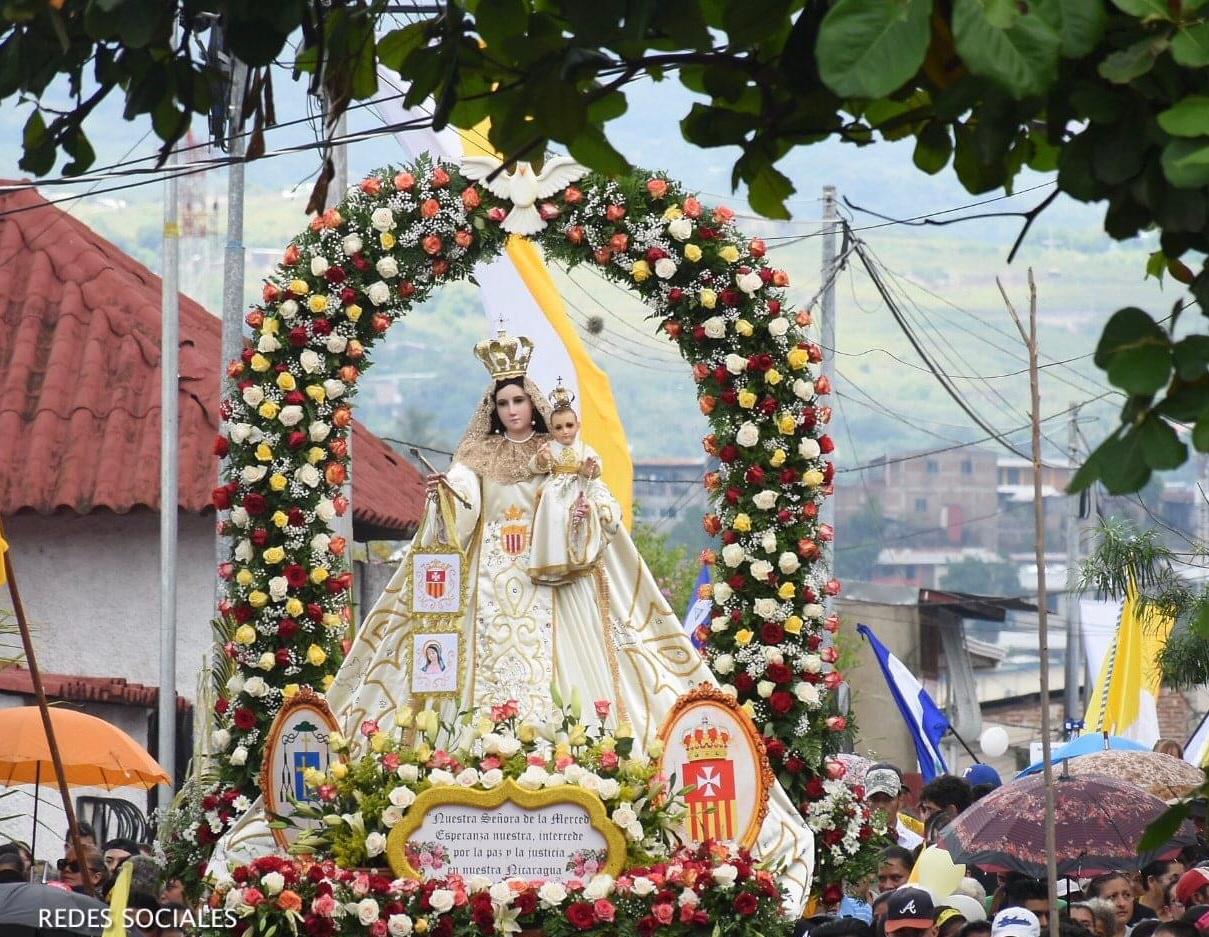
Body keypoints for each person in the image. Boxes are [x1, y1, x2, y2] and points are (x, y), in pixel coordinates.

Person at [210, 331, 815, 905]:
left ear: (533, 401)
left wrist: (581, 496)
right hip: (494, 585)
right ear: (493, 406)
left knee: (579, 675)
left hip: (554, 585)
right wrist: (449, 494)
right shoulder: (478, 453)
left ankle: (572, 762)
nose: (513, 409)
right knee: (479, 677)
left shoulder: (561, 449)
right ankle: (478, 757)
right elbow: (468, 501)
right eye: (503, 401)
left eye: (520, 398)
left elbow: (600, 507)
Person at [525, 381, 607, 585]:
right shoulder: (550, 447)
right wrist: (542, 460)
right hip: (555, 489)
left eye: (569, 426)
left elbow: (597, 468)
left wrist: (590, 468)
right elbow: (534, 466)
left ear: (578, 425)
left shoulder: (584, 448)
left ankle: (575, 561)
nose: (565, 431)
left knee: (578, 517)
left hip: (578, 488)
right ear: (552, 430)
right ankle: (552, 561)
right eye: (559, 428)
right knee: (551, 506)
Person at [866, 763, 923, 850]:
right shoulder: (853, 841)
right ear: (866, 800)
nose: (881, 805)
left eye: (887, 799)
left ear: (900, 798)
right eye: (875, 799)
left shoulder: (916, 843)